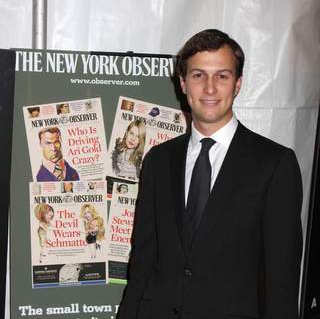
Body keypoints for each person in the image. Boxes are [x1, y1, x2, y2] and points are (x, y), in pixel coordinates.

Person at [117, 29, 303, 319]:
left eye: (222, 76)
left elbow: (282, 281)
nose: (210, 88)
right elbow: (142, 260)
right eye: (198, 75)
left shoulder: (275, 164)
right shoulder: (158, 160)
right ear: (182, 83)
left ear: (238, 84)